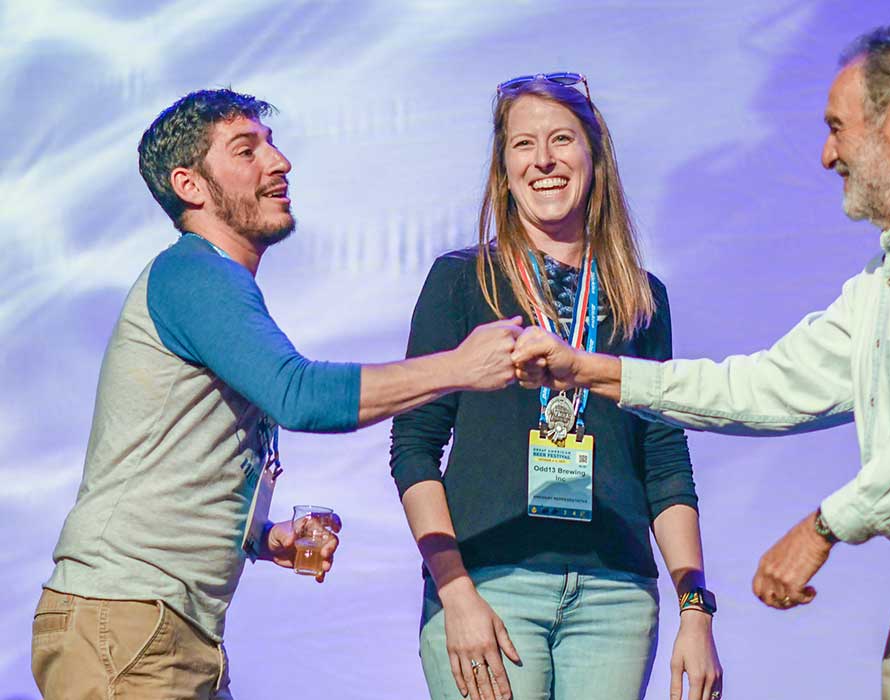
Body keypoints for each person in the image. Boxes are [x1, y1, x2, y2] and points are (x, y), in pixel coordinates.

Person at [514, 25, 890, 700]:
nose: (827, 155)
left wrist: (825, 527)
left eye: (837, 128)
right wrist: (594, 371)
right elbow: (766, 386)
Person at [31, 88, 523, 700]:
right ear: (190, 185)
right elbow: (300, 394)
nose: (279, 161)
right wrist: (457, 366)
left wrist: (262, 536)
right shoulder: (194, 273)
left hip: (159, 627)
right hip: (129, 622)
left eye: (272, 143)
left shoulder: (213, 285)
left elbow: (176, 458)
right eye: (247, 150)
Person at [391, 73, 722, 700]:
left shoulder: (641, 298)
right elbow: (413, 445)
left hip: (616, 598)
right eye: (523, 145)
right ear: (504, 166)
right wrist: (454, 591)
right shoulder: (463, 281)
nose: (543, 160)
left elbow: (665, 462)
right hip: (489, 584)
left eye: (562, 139)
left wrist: (695, 609)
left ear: (594, 158)